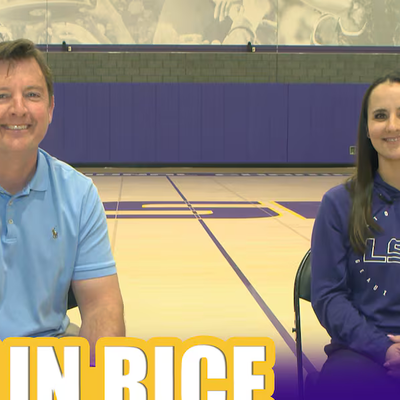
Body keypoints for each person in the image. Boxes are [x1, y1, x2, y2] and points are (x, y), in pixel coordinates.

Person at [0, 38, 125, 365]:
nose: (17, 108)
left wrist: (95, 372)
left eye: (32, 94)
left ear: (51, 108)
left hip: (48, 366)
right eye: (2, 95)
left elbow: (101, 306)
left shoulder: (78, 195)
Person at [311, 71, 400, 399]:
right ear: (366, 128)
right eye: (381, 115)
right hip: (359, 351)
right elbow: (329, 296)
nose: (392, 126)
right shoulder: (338, 204)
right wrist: (382, 348)